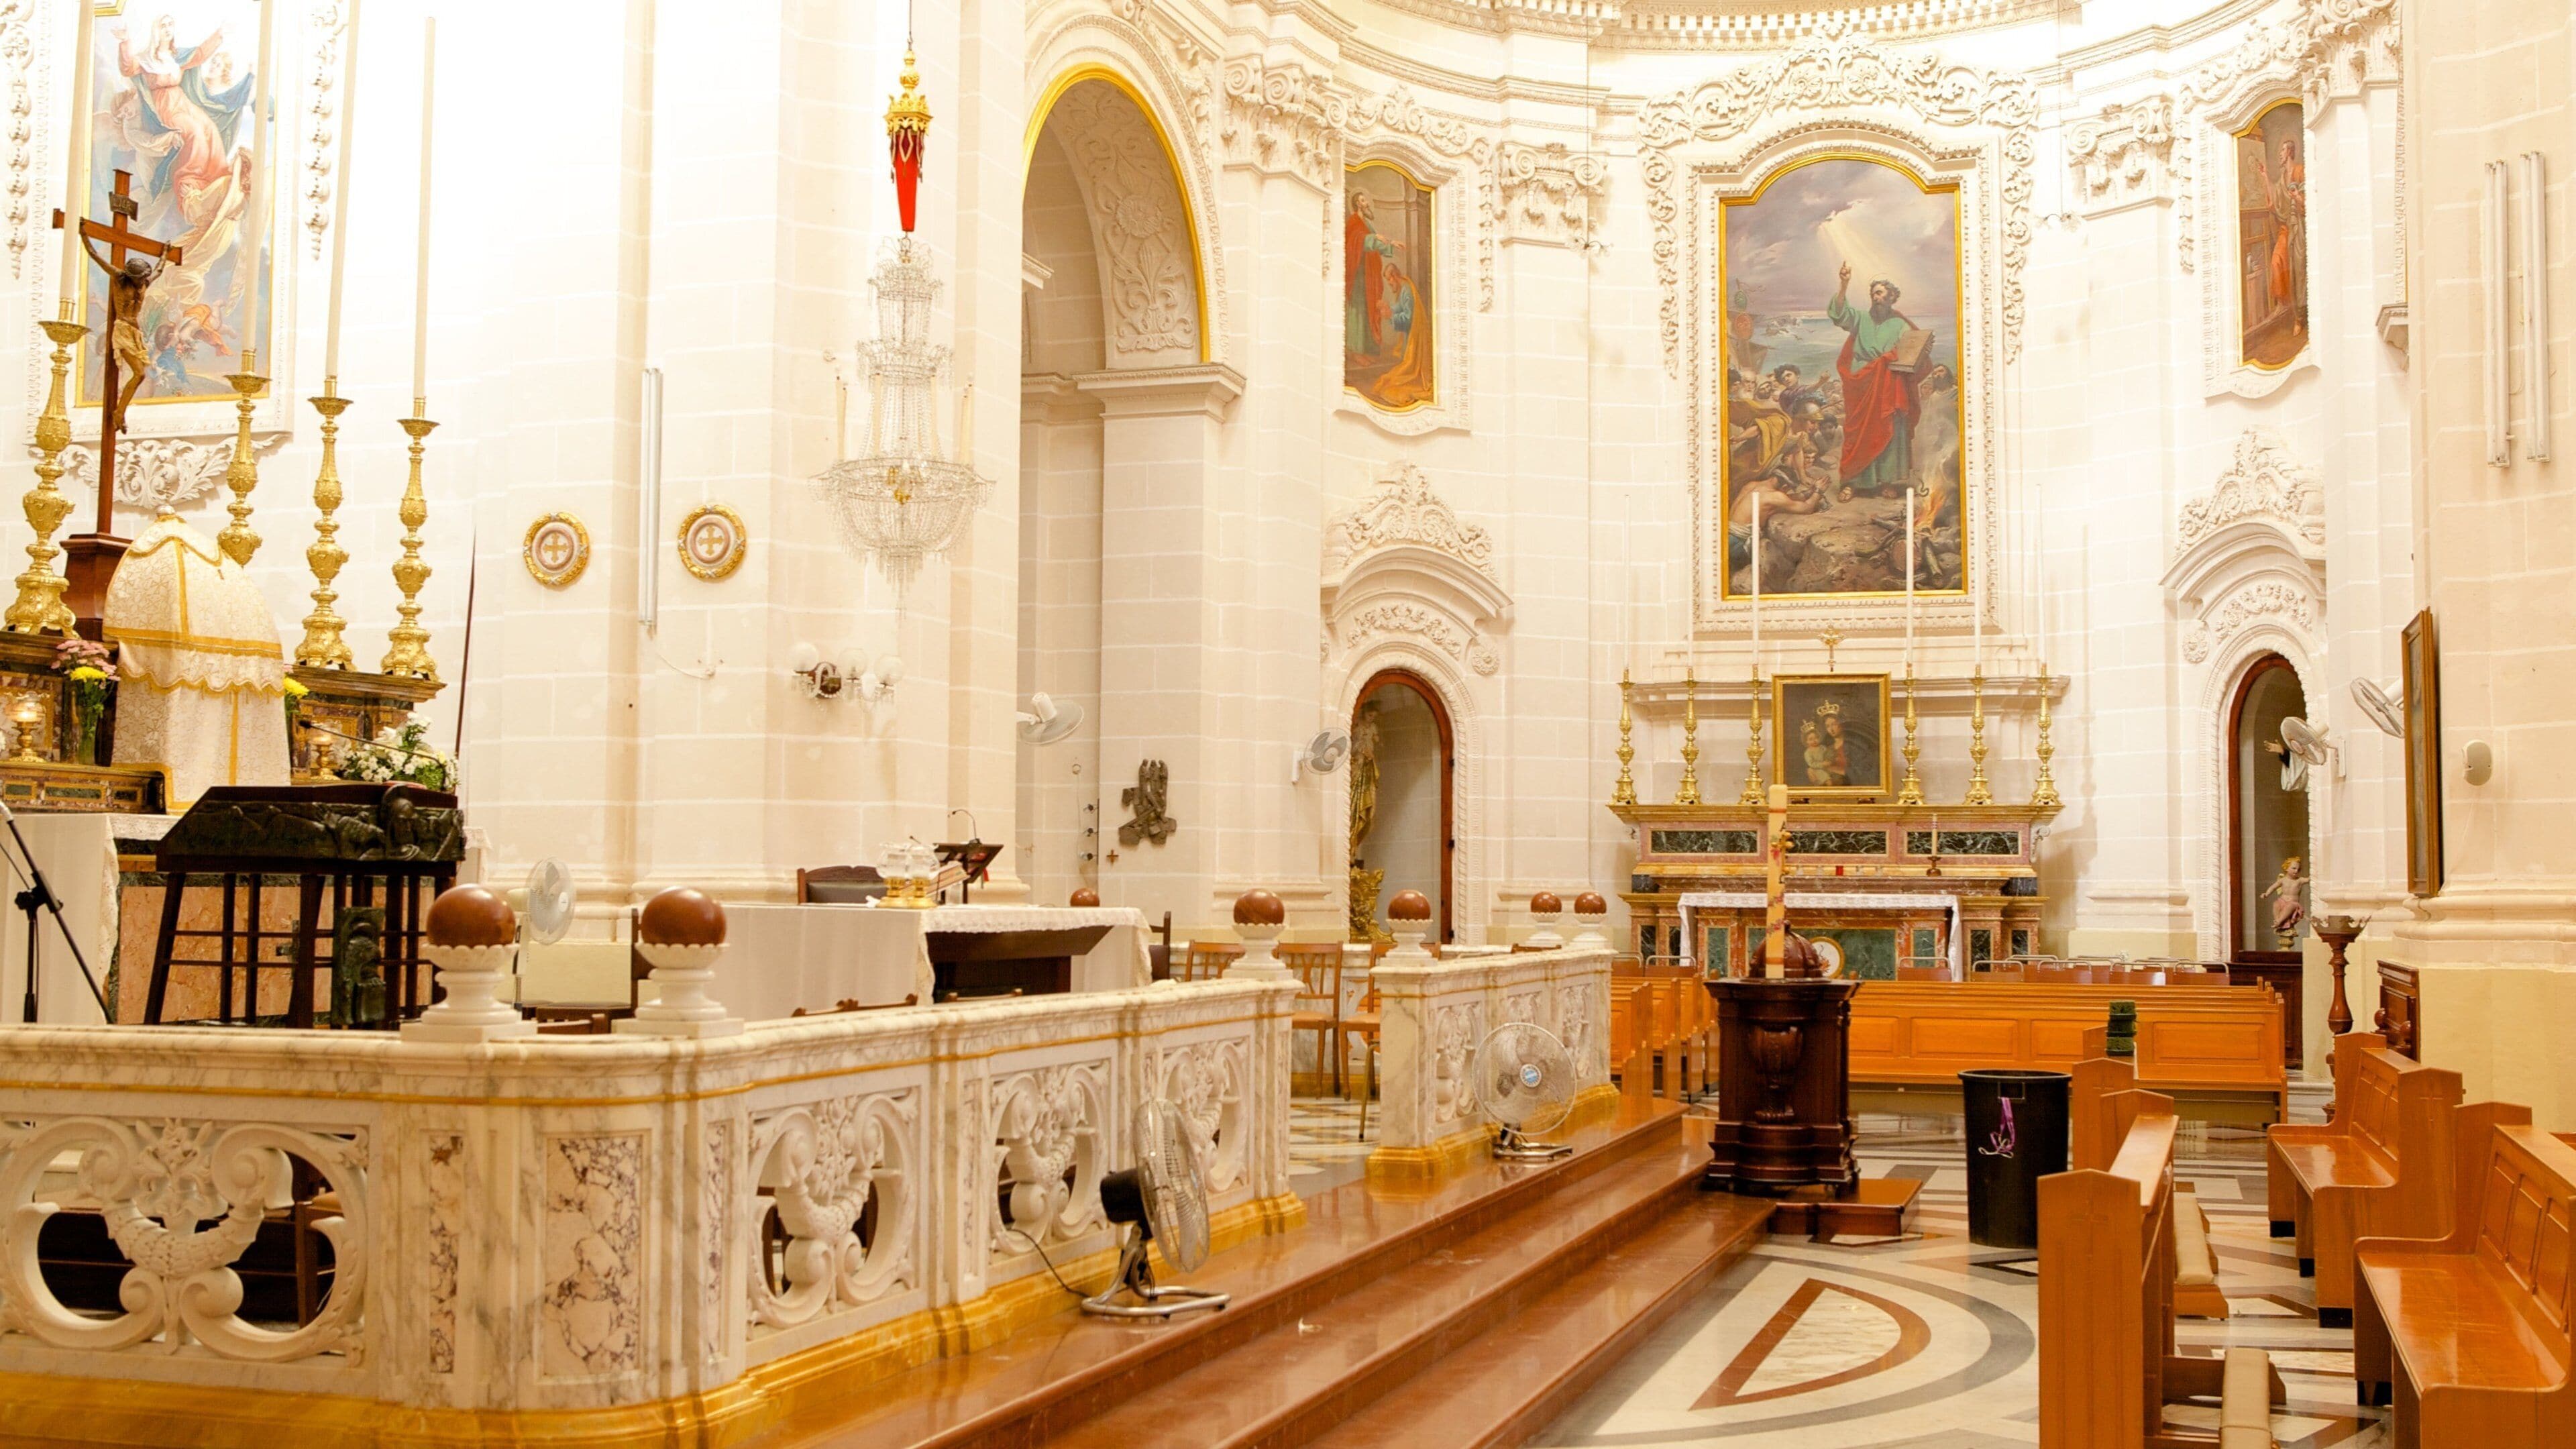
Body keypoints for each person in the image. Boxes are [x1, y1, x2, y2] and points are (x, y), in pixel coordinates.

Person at [1827, 262, 1925, 500]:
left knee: (1889, 429)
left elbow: (1912, 351)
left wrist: (1913, 353)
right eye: (1873, 294)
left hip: (1888, 382)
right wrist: (1844, 284)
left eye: (1880, 293)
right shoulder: (1861, 318)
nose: (1875, 297)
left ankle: (1886, 481)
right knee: (1857, 432)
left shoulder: (1901, 325)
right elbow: (1839, 315)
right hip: (1861, 380)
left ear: (1891, 297)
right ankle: (1852, 482)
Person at [2263, 857, 2308, 947]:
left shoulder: (2300, 880)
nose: (2296, 871)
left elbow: (2309, 879)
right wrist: (2266, 894)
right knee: (2276, 904)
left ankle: (2279, 921)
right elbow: (2273, 887)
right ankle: (2277, 920)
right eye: (2294, 868)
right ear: (2286, 868)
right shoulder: (2283, 880)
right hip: (2282, 900)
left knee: (2290, 906)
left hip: (2294, 904)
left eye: (2298, 869)